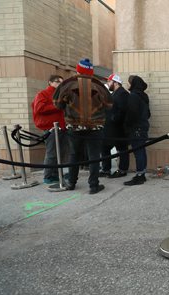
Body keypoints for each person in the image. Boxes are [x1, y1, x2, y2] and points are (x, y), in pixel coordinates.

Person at [53, 58, 112, 194]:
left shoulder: (67, 84)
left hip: (74, 127)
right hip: (95, 128)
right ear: (91, 72)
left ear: (78, 70)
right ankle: (93, 186)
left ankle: (71, 183)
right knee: (94, 157)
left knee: (74, 155)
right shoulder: (99, 85)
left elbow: (57, 104)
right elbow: (109, 105)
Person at [31, 75, 66, 184]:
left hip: (61, 127)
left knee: (59, 152)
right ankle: (48, 176)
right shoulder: (43, 94)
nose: (60, 83)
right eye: (57, 81)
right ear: (50, 82)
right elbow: (39, 108)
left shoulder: (61, 94)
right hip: (50, 128)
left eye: (61, 82)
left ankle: (55, 174)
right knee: (52, 152)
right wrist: (57, 106)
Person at [99, 73, 129, 178]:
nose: (108, 83)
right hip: (111, 129)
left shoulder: (122, 94)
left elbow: (122, 111)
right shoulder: (115, 93)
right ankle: (106, 169)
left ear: (115, 82)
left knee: (122, 149)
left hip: (117, 129)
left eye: (109, 81)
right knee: (105, 148)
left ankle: (122, 170)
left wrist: (113, 119)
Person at [123, 75, 150, 186]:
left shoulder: (133, 96)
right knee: (141, 151)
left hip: (136, 128)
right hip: (143, 126)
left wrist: (127, 125)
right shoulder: (144, 96)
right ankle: (142, 174)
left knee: (138, 152)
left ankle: (139, 176)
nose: (128, 85)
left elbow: (131, 114)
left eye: (129, 83)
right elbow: (148, 114)